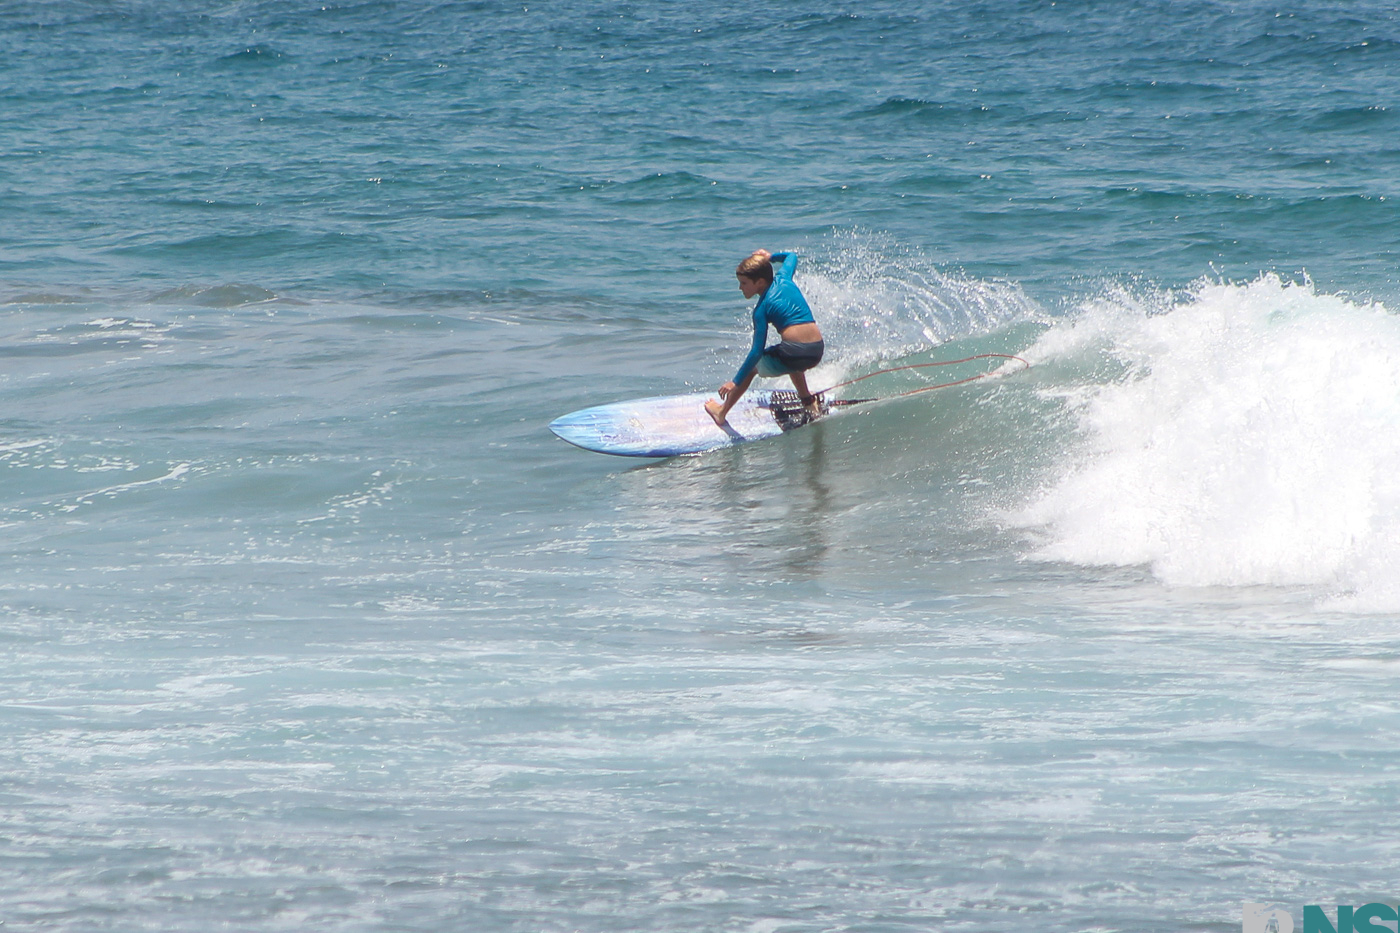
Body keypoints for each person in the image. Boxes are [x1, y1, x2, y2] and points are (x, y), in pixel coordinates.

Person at [705, 249, 824, 427]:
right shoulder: (784, 278)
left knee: (754, 366)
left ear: (759, 282)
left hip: (794, 353)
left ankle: (721, 413)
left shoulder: (761, 309)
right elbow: (791, 257)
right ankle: (808, 401)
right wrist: (770, 257)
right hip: (816, 350)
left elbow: (756, 352)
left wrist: (735, 381)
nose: (740, 288)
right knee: (786, 355)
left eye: (744, 283)